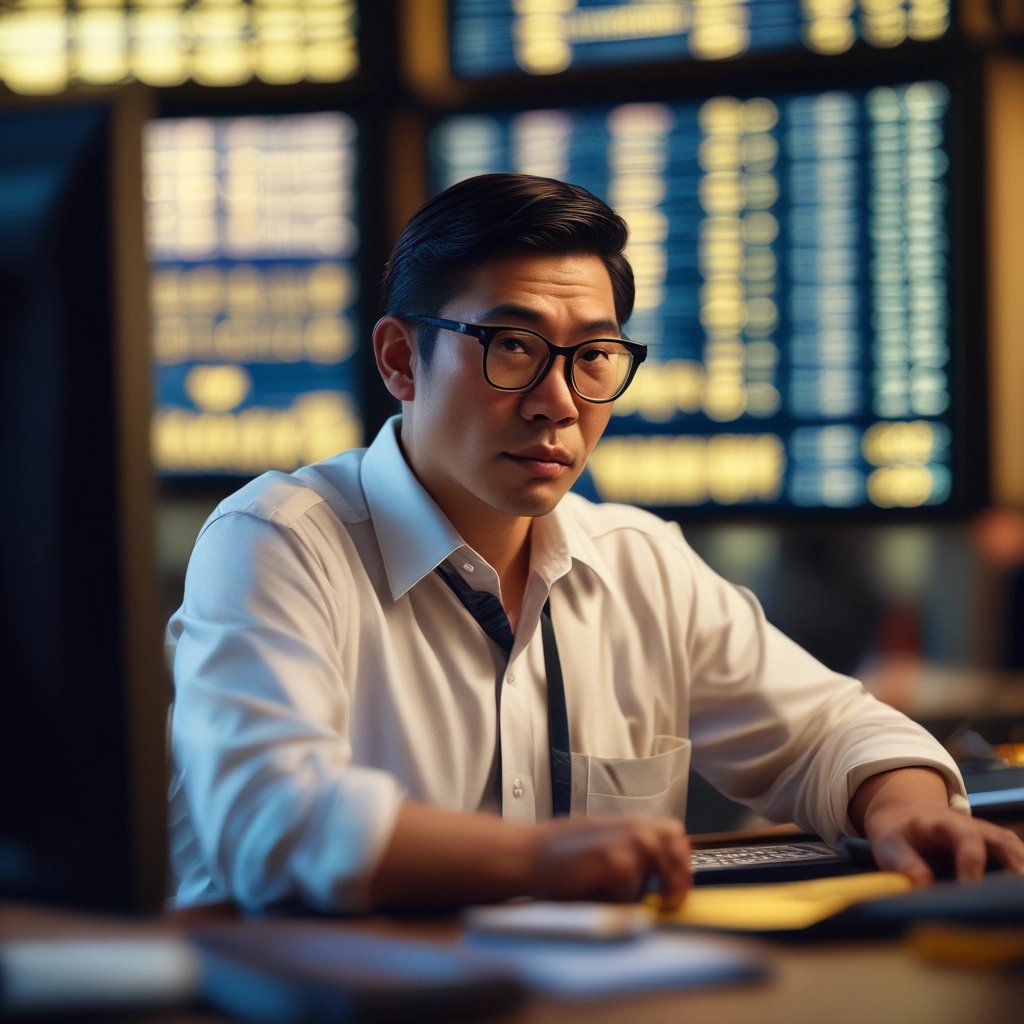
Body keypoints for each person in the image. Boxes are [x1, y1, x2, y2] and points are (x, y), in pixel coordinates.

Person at [168, 173, 1024, 913]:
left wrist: (906, 808)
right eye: (512, 346)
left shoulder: (636, 558)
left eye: (594, 356)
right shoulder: (278, 541)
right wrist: (543, 860)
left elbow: (828, 731)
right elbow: (270, 820)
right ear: (400, 360)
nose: (559, 401)